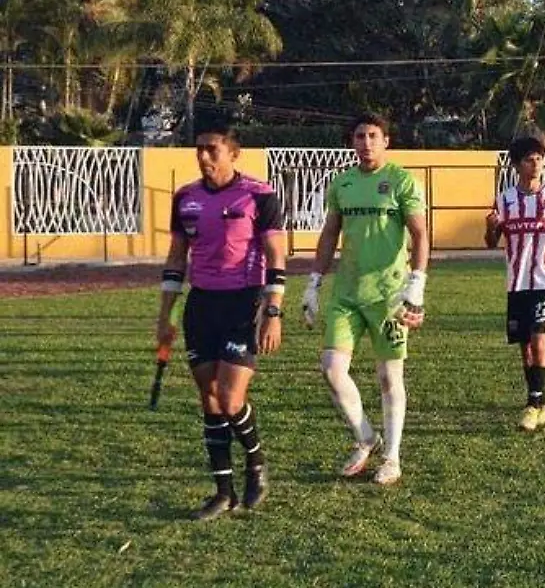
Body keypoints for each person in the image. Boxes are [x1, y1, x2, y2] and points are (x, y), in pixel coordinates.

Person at [156, 121, 285, 520]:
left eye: (212, 149)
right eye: (199, 149)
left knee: (231, 399)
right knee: (209, 398)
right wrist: (166, 315)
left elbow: (277, 256)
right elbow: (177, 258)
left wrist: (273, 311)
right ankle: (222, 492)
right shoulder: (185, 198)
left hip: (243, 303)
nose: (204, 156)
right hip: (202, 305)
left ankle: (257, 464)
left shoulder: (259, 196)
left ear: (233, 153)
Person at [304, 113, 429, 487]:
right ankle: (365, 437)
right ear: (352, 142)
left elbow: (420, 234)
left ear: (386, 141)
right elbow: (329, 235)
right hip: (347, 292)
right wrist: (313, 283)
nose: (366, 142)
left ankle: (391, 457)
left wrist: (416, 283)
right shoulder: (342, 184)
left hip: (389, 296)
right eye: (360, 136)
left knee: (390, 378)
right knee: (330, 368)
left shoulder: (401, 181)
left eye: (373, 136)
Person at [486, 137, 545, 431]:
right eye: (530, 159)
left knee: (540, 338)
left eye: (540, 158)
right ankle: (544, 403)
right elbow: (491, 243)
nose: (537, 164)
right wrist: (490, 228)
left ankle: (532, 404)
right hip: (517, 283)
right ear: (517, 165)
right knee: (525, 346)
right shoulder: (504, 200)